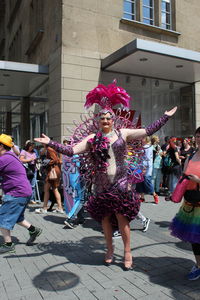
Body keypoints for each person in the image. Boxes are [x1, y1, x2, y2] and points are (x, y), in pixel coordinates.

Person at [34, 81, 177, 270]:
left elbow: (147, 131)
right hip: (101, 184)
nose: (106, 121)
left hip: (121, 182)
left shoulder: (123, 133)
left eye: (108, 118)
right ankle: (109, 249)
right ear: (98, 120)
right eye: (102, 118)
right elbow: (71, 150)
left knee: (122, 218)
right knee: (105, 219)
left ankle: (127, 252)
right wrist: (51, 143)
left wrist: (164, 117)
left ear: (114, 119)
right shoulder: (92, 139)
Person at [0, 134, 42, 254]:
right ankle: (34, 230)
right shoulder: (11, 155)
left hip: (16, 192)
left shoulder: (4, 159)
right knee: (17, 217)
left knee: (3, 218)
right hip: (24, 191)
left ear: (1, 146)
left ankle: (8, 244)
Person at [170, 127, 200, 280]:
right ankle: (198, 265)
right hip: (191, 202)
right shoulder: (192, 155)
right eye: (198, 136)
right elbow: (184, 174)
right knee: (194, 239)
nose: (199, 139)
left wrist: (198, 180)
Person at [35, 144, 64, 214]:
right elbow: (58, 160)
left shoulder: (50, 149)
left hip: (52, 171)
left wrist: (46, 162)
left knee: (46, 189)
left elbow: (55, 160)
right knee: (54, 189)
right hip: (55, 170)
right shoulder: (54, 149)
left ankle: (44, 207)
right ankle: (60, 207)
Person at [136, 136, 159, 204]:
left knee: (147, 181)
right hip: (140, 166)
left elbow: (147, 158)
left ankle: (154, 195)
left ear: (146, 139)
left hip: (146, 167)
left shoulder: (148, 147)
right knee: (140, 181)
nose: (141, 140)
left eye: (142, 138)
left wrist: (144, 168)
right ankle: (142, 197)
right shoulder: (143, 147)